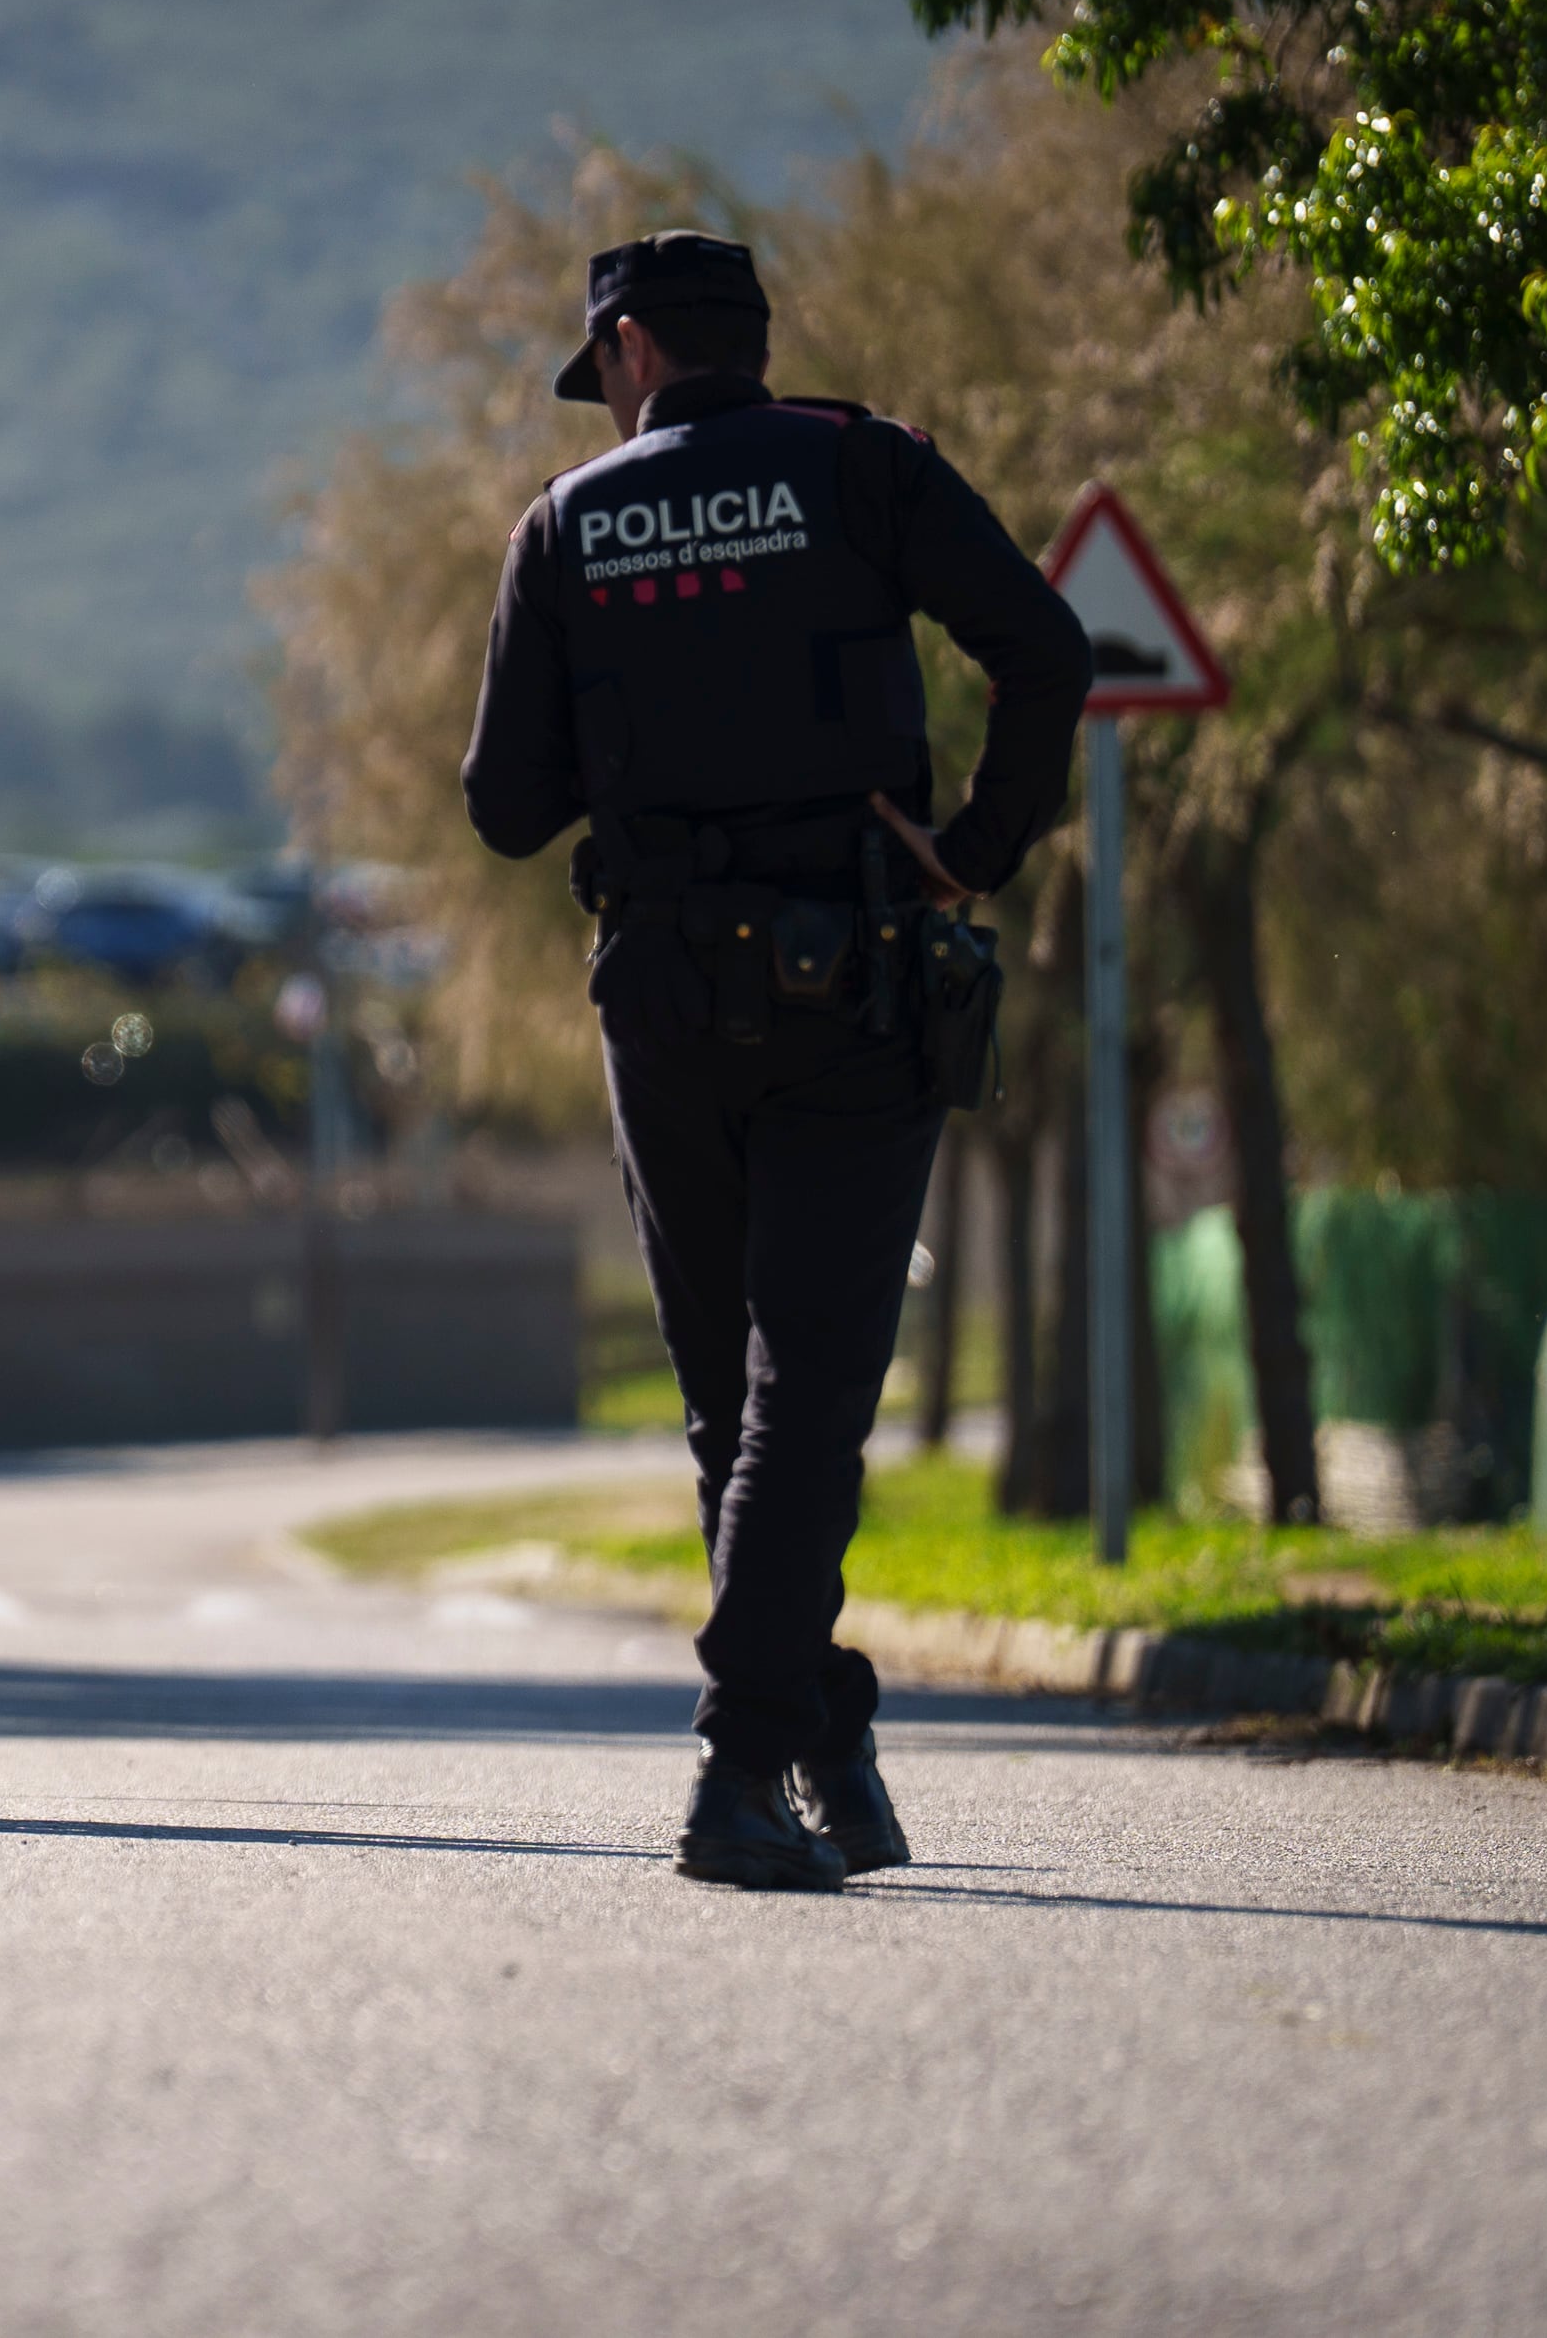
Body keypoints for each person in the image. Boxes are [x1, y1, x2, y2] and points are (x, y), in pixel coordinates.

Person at [461, 234, 1090, 1889]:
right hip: (857, 986)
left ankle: (758, 1767)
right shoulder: (864, 467)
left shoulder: (568, 526)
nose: (601, 402)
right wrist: (973, 850)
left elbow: (506, 809)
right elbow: (1046, 650)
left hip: (665, 1003)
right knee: (801, 1397)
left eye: (600, 373)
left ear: (639, 348)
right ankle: (806, 1745)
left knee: (729, 1403)